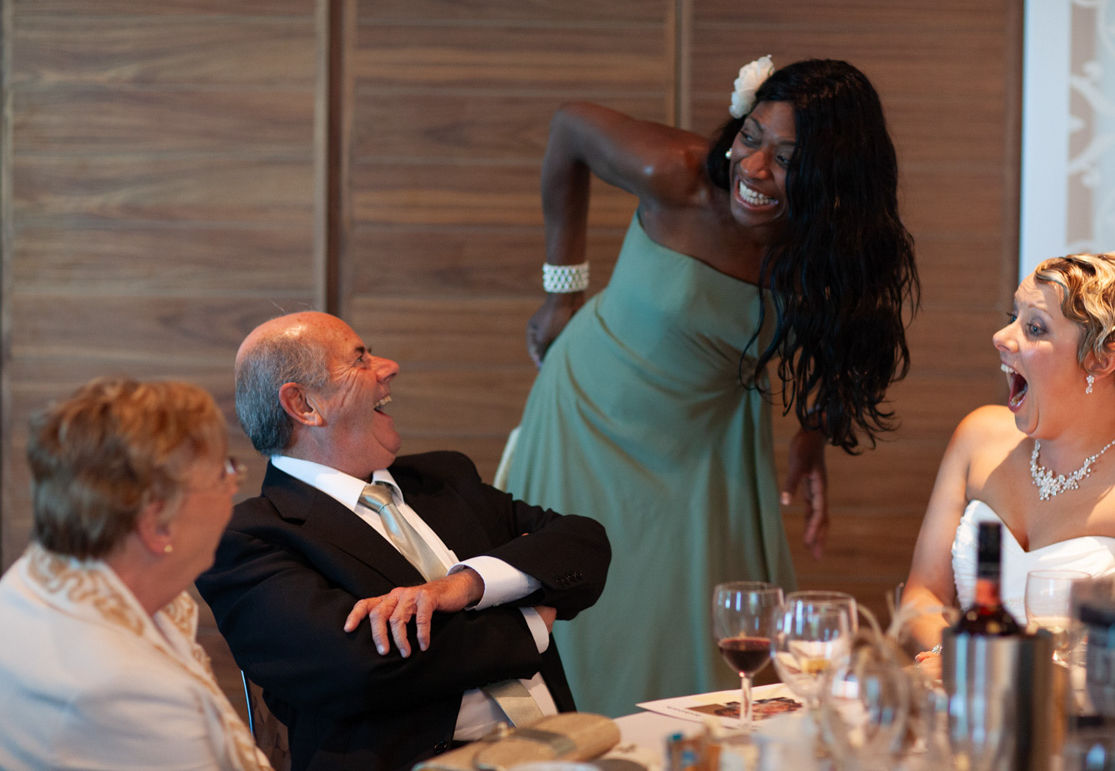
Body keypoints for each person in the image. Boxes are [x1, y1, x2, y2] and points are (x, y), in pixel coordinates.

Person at [504, 56, 920, 714]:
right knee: (571, 613)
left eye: (786, 157)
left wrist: (811, 439)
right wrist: (563, 290)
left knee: (698, 636)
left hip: (709, 443)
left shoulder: (831, 246)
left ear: (834, 176)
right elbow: (567, 131)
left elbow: (836, 343)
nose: (753, 169)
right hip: (589, 412)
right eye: (750, 137)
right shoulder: (678, 176)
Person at [196, 311, 611, 771]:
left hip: (570, 751)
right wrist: (529, 615)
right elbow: (359, 668)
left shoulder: (444, 476)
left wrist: (467, 585)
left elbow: (582, 544)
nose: (388, 366)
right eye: (360, 359)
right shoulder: (249, 537)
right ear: (304, 405)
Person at [901, 252, 1115, 665]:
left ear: (1101, 360)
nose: (1001, 337)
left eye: (1034, 328)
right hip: (966, 709)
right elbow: (923, 597)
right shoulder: (978, 438)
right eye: (1013, 317)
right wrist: (958, 658)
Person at [0, 377, 269, 771]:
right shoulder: (133, 692)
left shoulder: (31, 579)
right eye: (222, 475)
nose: (233, 489)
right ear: (158, 525)